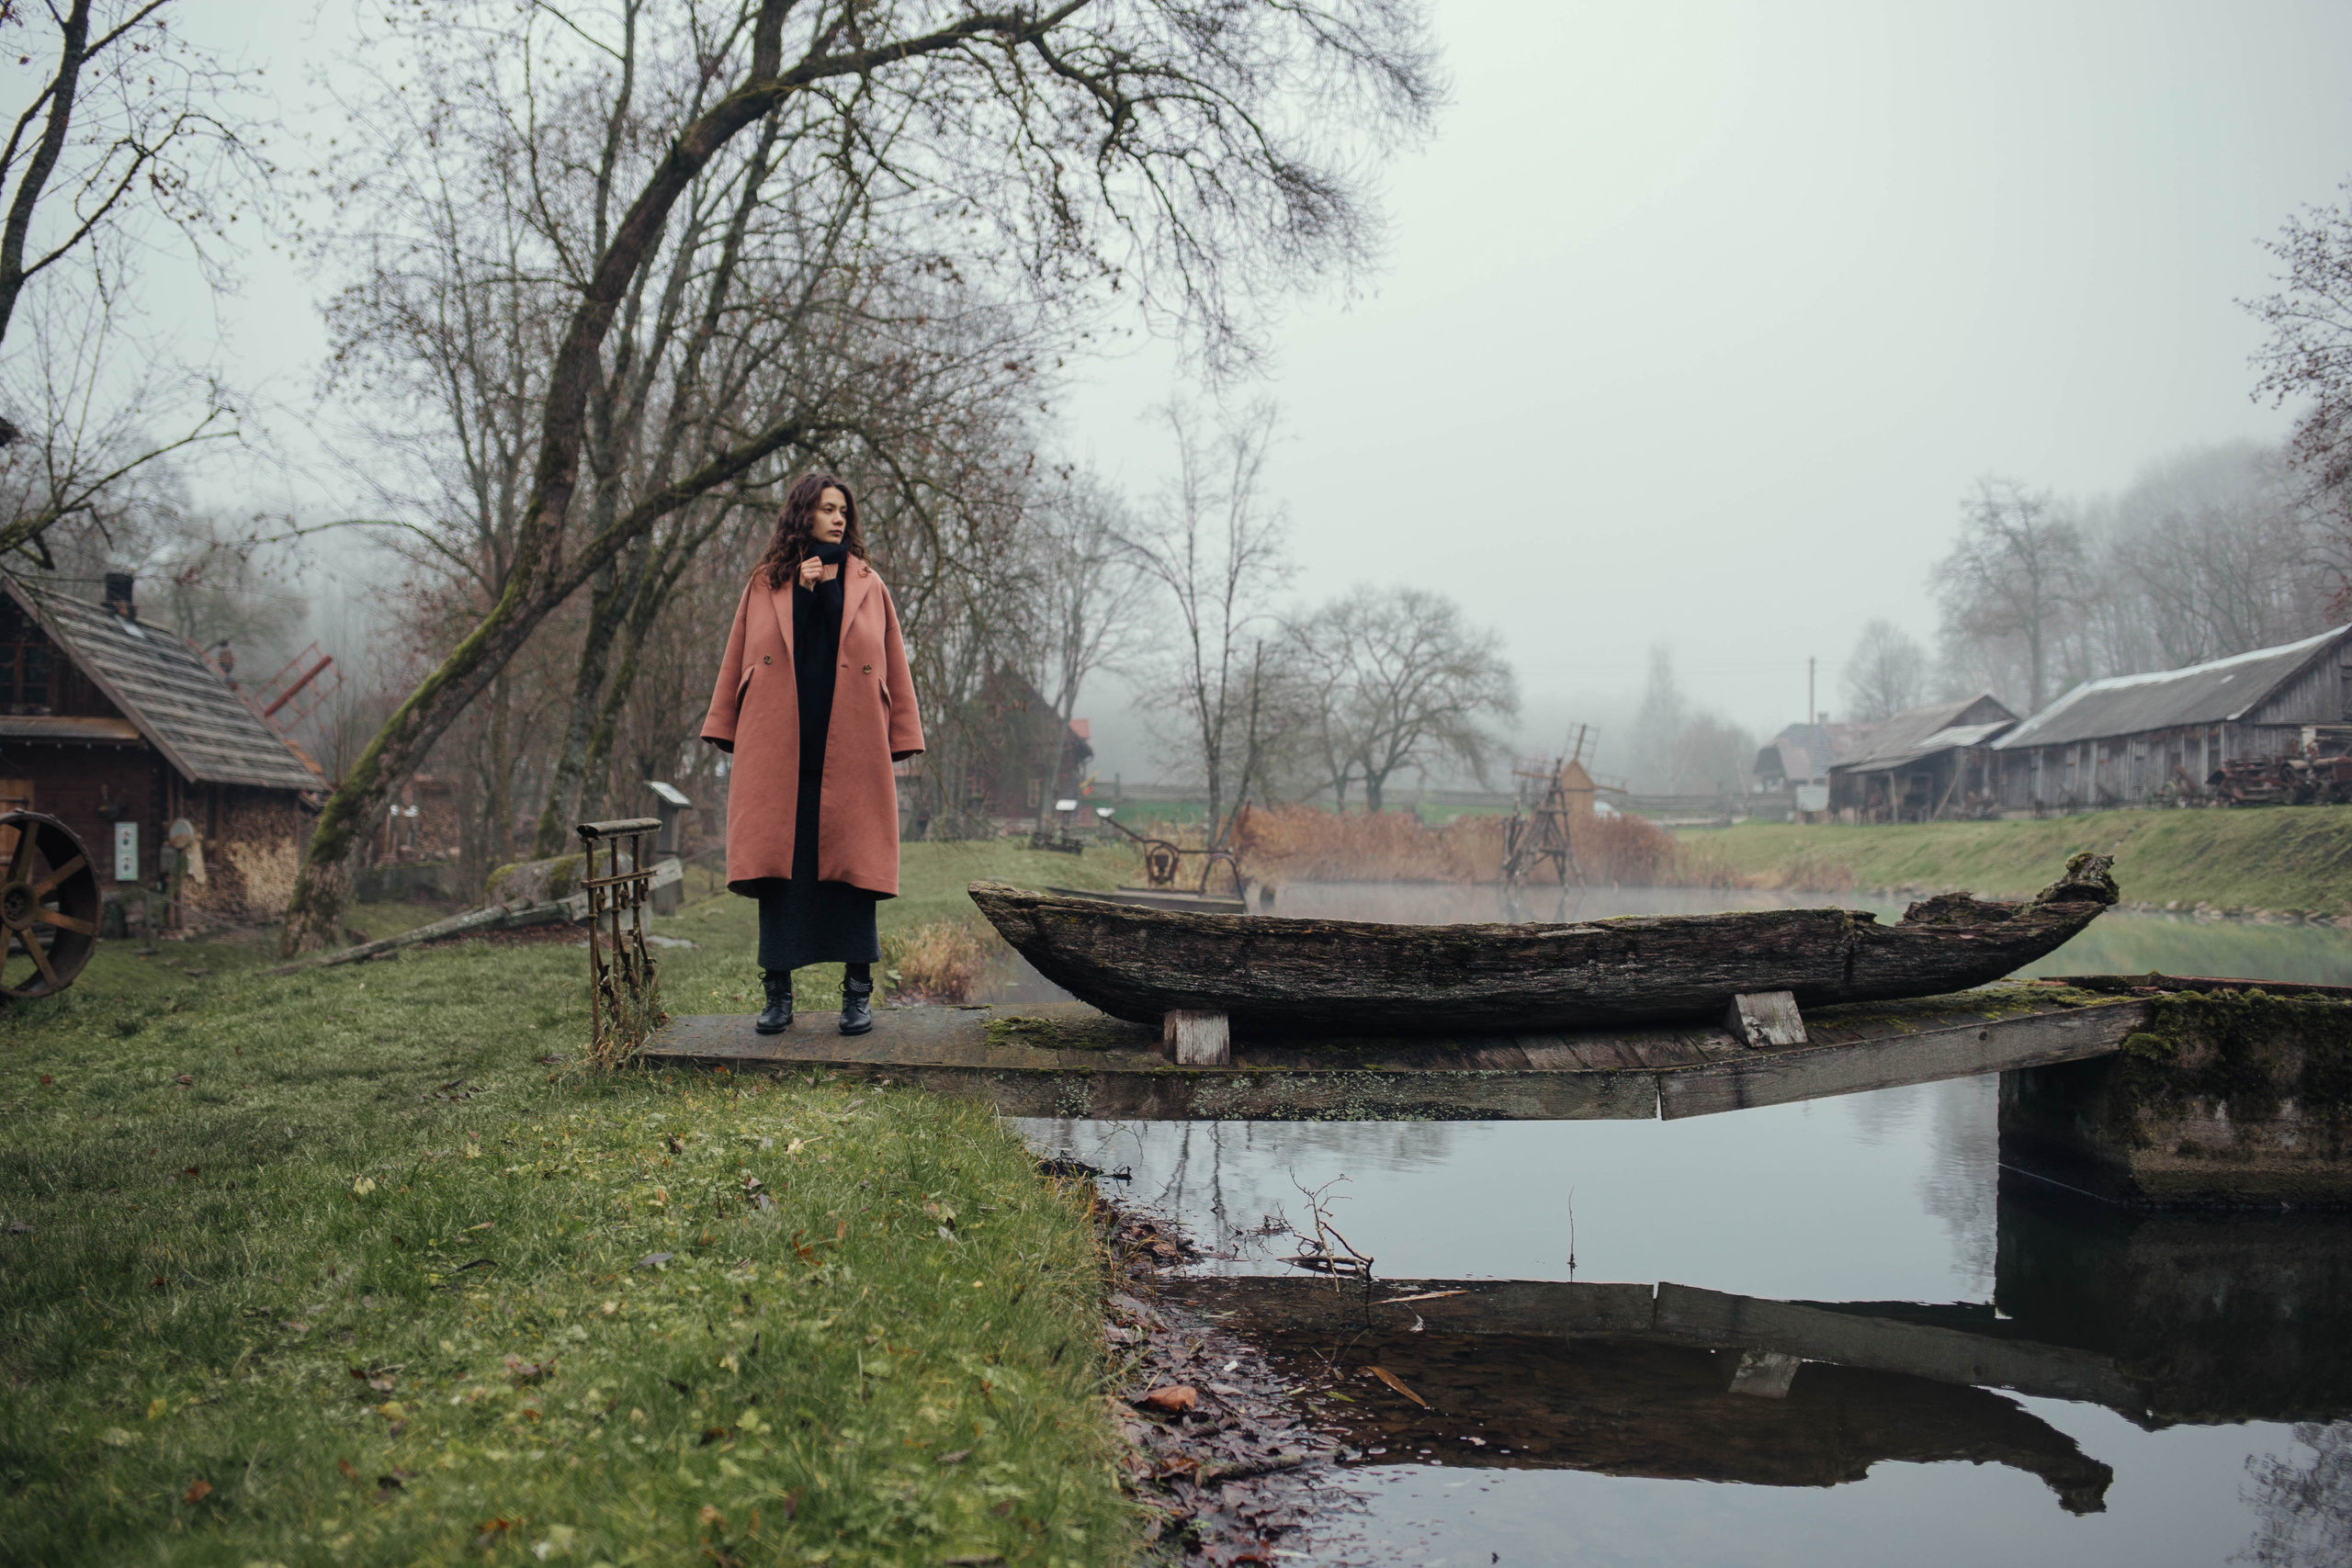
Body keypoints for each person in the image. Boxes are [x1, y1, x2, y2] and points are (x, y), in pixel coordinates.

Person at [701, 473, 923, 1035]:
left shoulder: (869, 585)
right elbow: (740, 659)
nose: (839, 518)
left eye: (844, 510)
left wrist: (903, 733)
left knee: (855, 873)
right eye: (827, 509)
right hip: (782, 754)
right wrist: (801, 594)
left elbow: (890, 661)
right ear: (803, 514)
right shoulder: (765, 585)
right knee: (781, 874)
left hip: (851, 751)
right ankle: (778, 995)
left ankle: (857, 994)